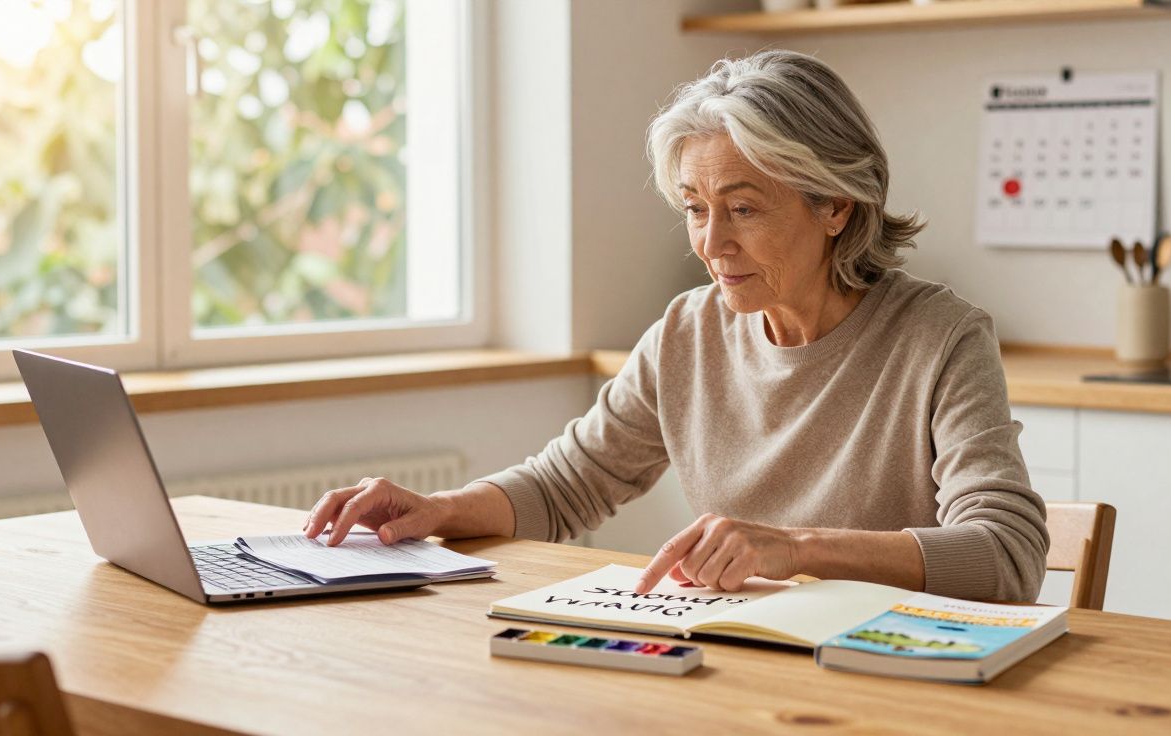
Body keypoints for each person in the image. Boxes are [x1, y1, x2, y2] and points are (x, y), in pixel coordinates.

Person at [302, 50, 1048, 602]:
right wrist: (439, 510)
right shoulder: (688, 332)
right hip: (739, 671)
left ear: (836, 206)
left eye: (744, 208)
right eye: (695, 207)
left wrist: (793, 547)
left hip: (891, 682)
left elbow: (1007, 557)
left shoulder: (941, 339)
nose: (711, 244)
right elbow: (568, 485)